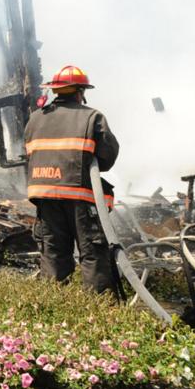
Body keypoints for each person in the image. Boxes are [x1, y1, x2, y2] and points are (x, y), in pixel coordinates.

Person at [24, 64, 120, 293]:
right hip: (80, 197)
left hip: (45, 197)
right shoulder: (92, 117)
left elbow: (31, 154)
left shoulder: (35, 119)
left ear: (56, 91)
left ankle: (54, 305)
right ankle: (99, 307)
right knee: (92, 253)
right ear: (80, 91)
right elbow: (107, 157)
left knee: (53, 252)